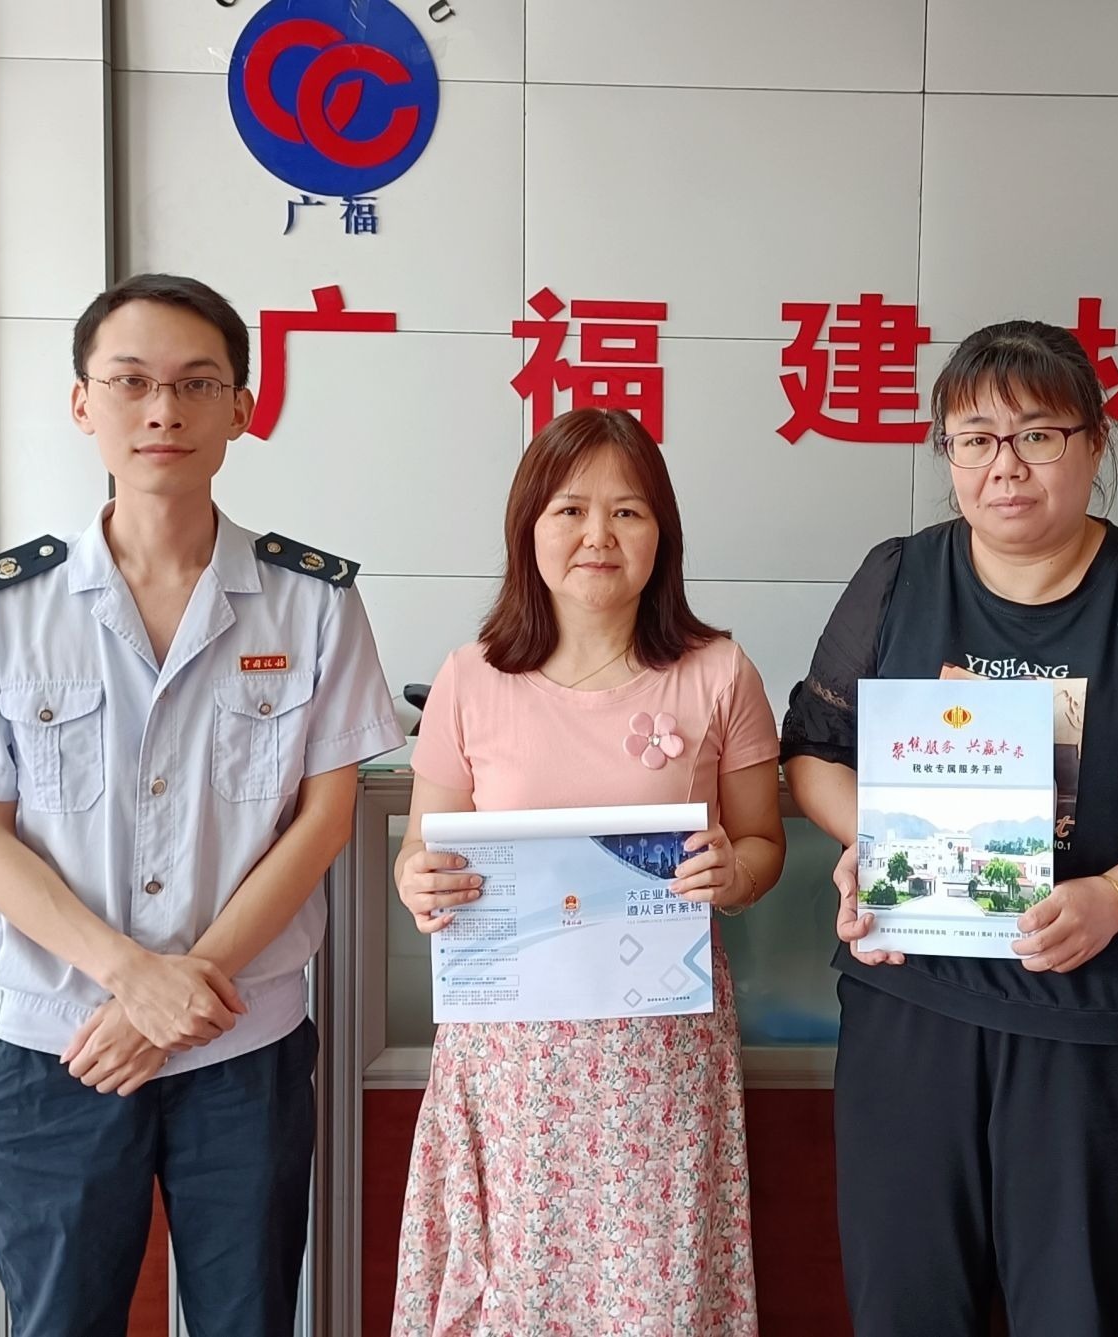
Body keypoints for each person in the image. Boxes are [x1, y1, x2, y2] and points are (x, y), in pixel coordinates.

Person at [0, 273, 404, 1334]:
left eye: (195, 383)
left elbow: (322, 820)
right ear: (83, 403)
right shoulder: (3, 608)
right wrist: (131, 981)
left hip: (245, 1047)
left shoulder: (313, 600)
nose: (163, 409)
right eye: (130, 381)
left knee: (247, 1318)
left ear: (242, 407)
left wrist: (180, 993)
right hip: (61, 1046)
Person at [780, 320, 1118, 1336]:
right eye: (975, 439)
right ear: (947, 454)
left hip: (1087, 1022)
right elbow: (813, 749)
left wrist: (1117, 897)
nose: (1004, 465)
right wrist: (880, 839)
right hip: (911, 1003)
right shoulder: (899, 577)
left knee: (1075, 1307)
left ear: (1095, 443)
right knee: (906, 1302)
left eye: (1038, 435)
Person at [389, 408, 785, 1335]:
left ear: (662, 535)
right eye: (570, 509)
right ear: (528, 529)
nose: (598, 535)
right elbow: (420, 852)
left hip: (661, 1054)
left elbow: (763, 843)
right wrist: (418, 883)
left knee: (658, 1290)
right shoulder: (471, 677)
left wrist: (734, 874)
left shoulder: (719, 672)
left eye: (628, 512)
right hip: (510, 1058)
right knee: (513, 1287)